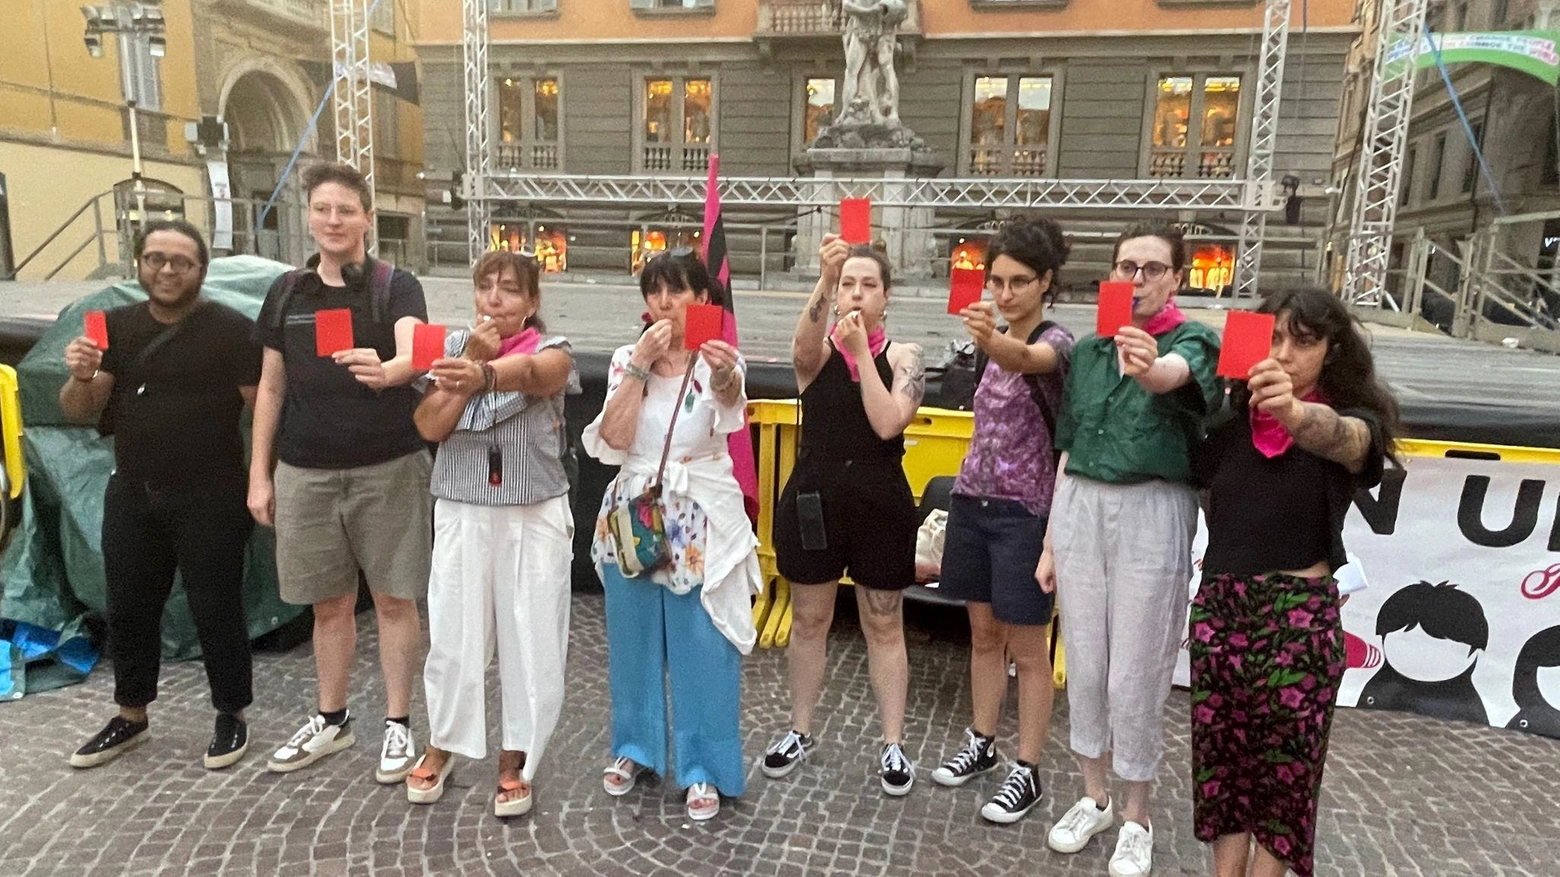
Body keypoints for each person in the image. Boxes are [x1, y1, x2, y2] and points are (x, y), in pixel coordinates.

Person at [1189, 285, 1398, 877]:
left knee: (1285, 787)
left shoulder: (1351, 421)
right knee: (1222, 773)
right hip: (1220, 611)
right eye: (1272, 338)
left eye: (1302, 343)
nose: (1282, 354)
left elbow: (1345, 438)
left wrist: (1294, 412)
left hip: (1297, 619)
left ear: (1330, 351)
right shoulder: (1229, 424)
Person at [1038, 222, 1220, 877]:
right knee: (1085, 664)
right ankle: (1095, 795)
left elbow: (1179, 377)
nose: (1136, 278)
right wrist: (1051, 539)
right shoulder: (1087, 352)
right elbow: (1068, 445)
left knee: (1136, 672)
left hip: (1152, 505)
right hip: (1084, 501)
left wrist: (1151, 366)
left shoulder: (1193, 339)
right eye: (1125, 266)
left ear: (1176, 275)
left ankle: (1137, 813)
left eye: (1151, 267)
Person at [249, 161, 431, 783]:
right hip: (306, 472)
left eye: (345, 210)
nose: (333, 220)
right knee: (329, 606)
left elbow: (417, 349)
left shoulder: (394, 285)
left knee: (393, 600)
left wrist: (392, 369)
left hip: (388, 468)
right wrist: (259, 475)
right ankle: (332, 719)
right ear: (309, 216)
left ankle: (400, 725)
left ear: (366, 218)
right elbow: (270, 390)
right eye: (323, 209)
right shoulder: (287, 293)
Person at [60, 219, 260, 770]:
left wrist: (263, 475)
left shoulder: (230, 328)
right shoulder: (111, 326)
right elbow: (81, 408)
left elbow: (260, 405)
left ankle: (231, 714)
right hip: (132, 492)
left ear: (201, 269)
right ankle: (131, 715)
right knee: (128, 606)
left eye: (180, 261)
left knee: (216, 606)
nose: (167, 270)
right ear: (139, 263)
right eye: (156, 258)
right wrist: (80, 375)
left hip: (211, 492)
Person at [582, 249, 760, 822]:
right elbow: (612, 439)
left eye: (677, 290)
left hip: (698, 513)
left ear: (702, 299)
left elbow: (732, 406)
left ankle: (704, 765)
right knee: (631, 642)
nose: (663, 302)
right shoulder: (622, 360)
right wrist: (638, 365)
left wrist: (728, 375)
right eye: (654, 291)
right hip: (636, 512)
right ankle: (634, 748)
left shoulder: (719, 362)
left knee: (701, 645)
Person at [403, 251, 577, 817]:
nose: (494, 298)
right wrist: (469, 367)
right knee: (454, 632)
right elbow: (430, 424)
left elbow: (537, 377)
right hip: (461, 509)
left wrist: (486, 372)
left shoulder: (553, 350)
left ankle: (515, 756)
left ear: (532, 302)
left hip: (532, 513)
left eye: (508, 289)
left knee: (529, 636)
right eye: (485, 287)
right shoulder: (451, 347)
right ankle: (446, 742)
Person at [765, 236, 925, 796]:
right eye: (849, 283)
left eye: (868, 284)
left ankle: (893, 743)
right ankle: (800, 729)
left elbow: (887, 423)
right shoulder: (821, 353)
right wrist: (824, 281)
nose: (857, 293)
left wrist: (862, 354)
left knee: (883, 620)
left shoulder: (902, 356)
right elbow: (802, 351)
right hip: (816, 497)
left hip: (879, 501)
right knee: (810, 619)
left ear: (886, 297)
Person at [931, 217, 1075, 824]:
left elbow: (1024, 357)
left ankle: (1029, 767)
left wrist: (989, 338)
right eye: (996, 280)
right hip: (973, 501)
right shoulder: (988, 343)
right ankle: (982, 742)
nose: (1005, 292)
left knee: (1029, 647)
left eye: (1019, 281)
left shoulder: (1058, 342)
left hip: (1025, 511)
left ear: (1045, 282)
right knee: (983, 636)